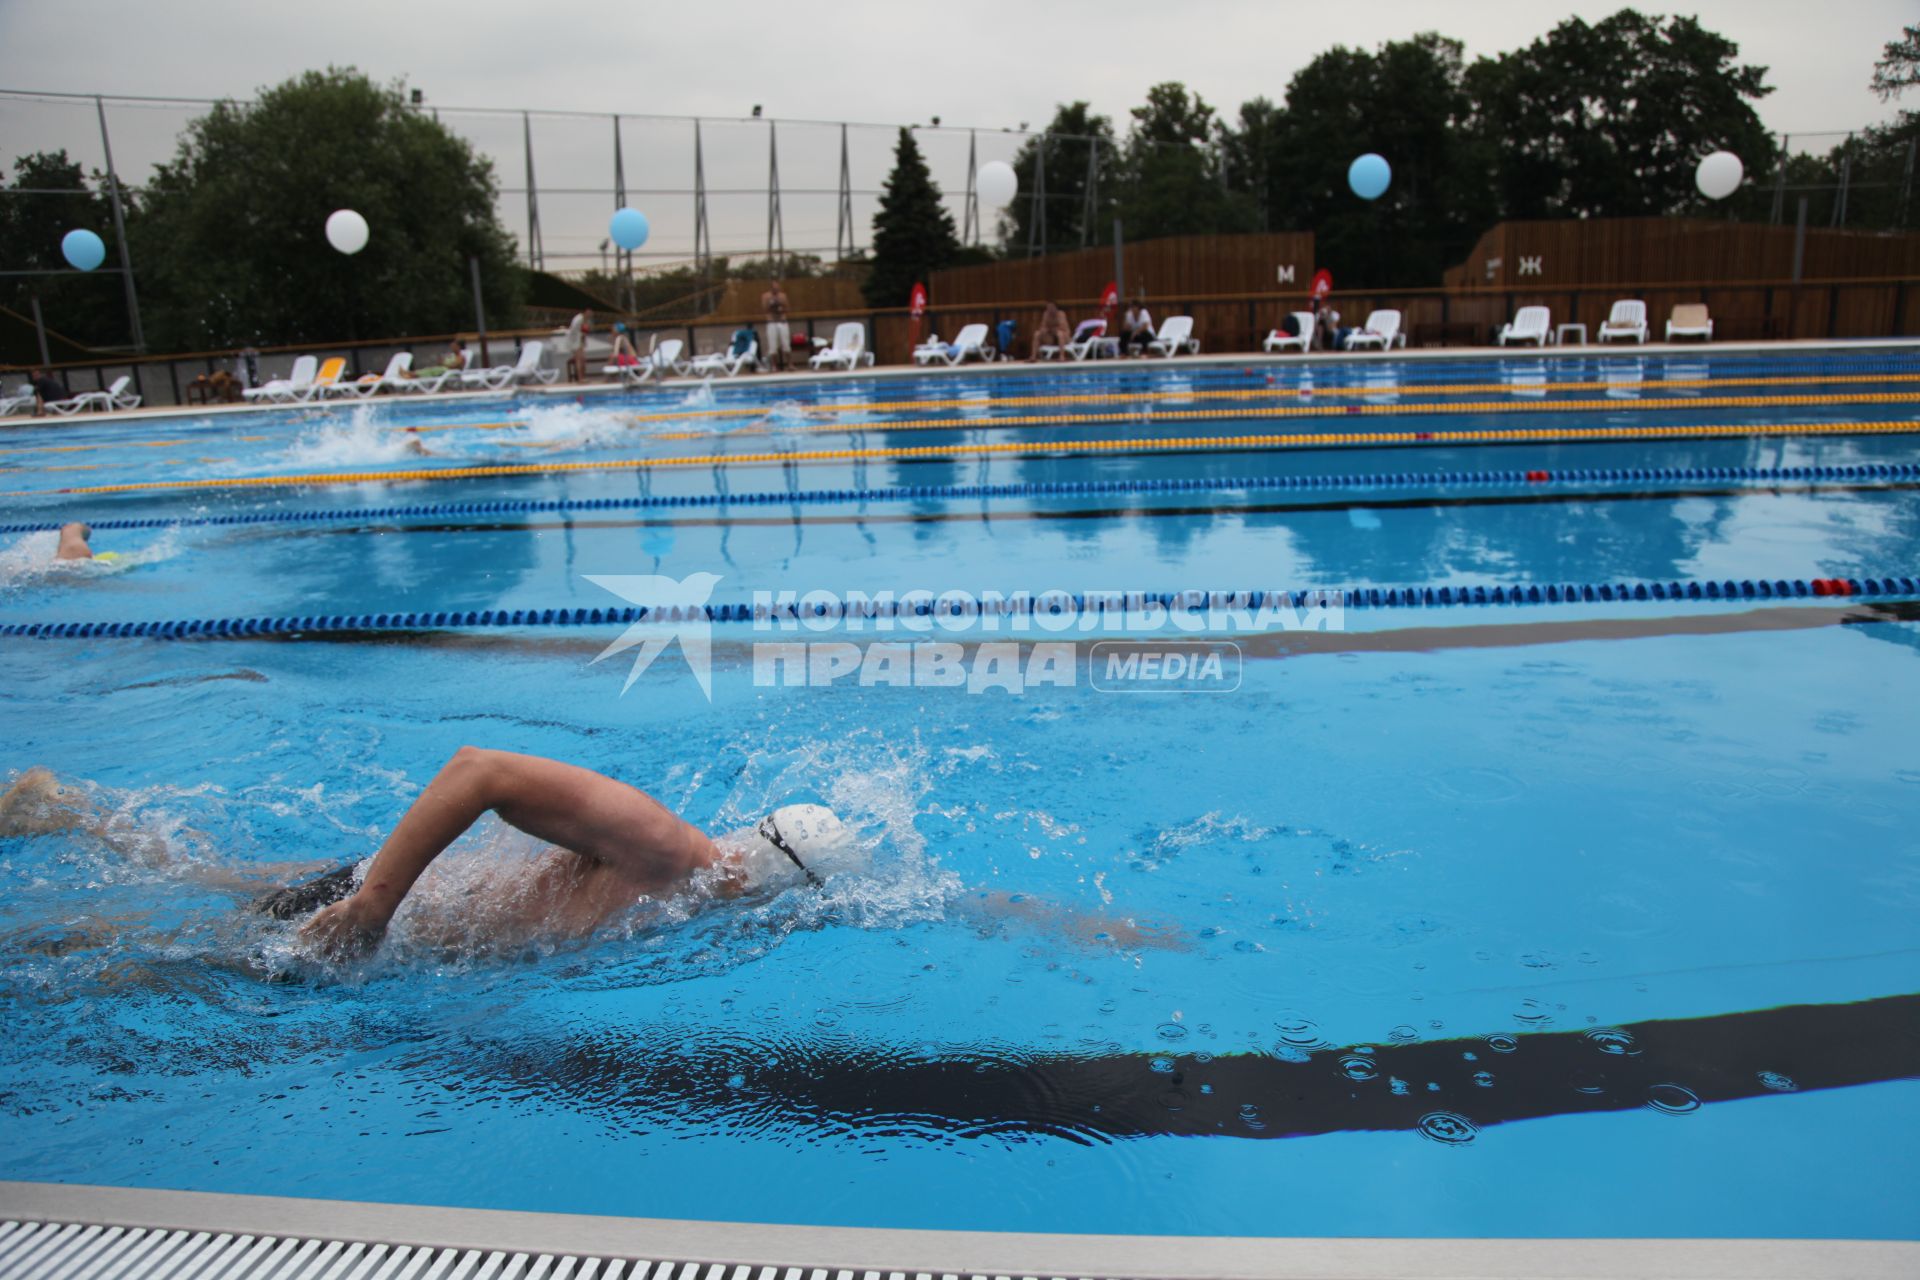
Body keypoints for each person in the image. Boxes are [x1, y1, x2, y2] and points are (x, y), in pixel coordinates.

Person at [0, 750, 1184, 962]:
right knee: (123, 946)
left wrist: (1074, 922)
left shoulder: (715, 894)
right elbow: (478, 769)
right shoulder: (673, 855)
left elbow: (928, 902)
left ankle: (72, 814)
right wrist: (369, 907)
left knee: (181, 895)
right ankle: (73, 817)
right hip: (370, 918)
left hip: (398, 930)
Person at [760, 281, 791, 372]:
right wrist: (771, 304)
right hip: (771, 322)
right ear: (771, 288)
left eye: (777, 287)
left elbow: (788, 308)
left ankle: (789, 364)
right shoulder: (766, 296)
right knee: (772, 346)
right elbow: (765, 309)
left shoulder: (782, 296)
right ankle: (774, 366)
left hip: (782, 321)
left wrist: (781, 306)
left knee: (786, 344)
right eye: (774, 288)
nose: (776, 289)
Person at [565, 310, 593, 383]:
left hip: (580, 342)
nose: (591, 314)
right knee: (579, 359)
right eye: (589, 312)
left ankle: (583, 377)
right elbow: (573, 331)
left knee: (583, 360)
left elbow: (586, 332)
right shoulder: (578, 319)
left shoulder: (587, 320)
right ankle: (580, 379)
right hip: (575, 342)